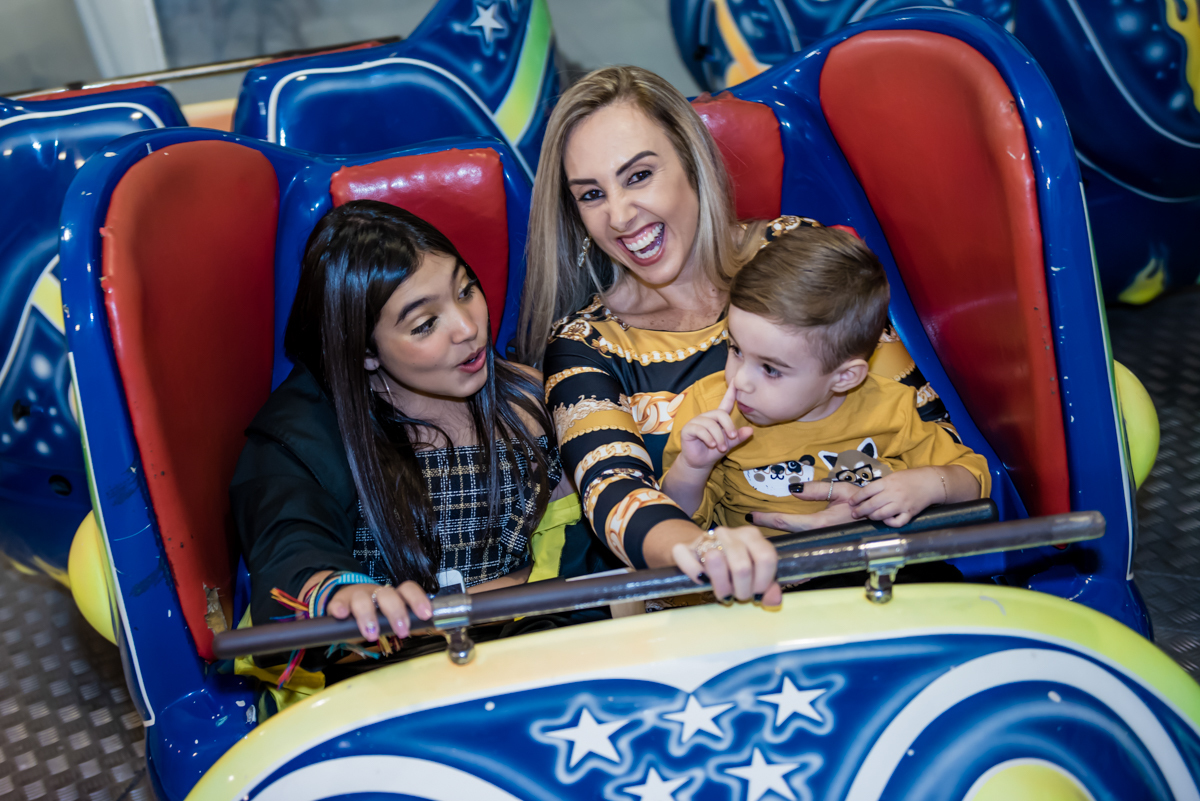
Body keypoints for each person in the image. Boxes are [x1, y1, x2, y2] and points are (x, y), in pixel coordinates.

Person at [516, 66, 952, 605]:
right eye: (591, 195)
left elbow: (927, 425)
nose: (621, 216)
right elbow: (614, 497)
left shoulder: (792, 251)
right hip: (719, 616)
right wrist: (714, 555)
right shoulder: (584, 345)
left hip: (887, 575)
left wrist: (858, 514)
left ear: (691, 164)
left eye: (638, 176)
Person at [230, 200, 574, 677]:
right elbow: (291, 543)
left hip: (539, 662)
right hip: (393, 690)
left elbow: (584, 545)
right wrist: (343, 594)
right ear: (365, 352)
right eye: (425, 324)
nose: (469, 328)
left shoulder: (531, 398)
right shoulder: (301, 436)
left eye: (466, 289)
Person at [660, 225, 990, 533]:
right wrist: (693, 468)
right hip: (768, 581)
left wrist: (927, 485)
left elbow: (974, 481)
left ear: (845, 377)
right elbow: (676, 524)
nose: (739, 380)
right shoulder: (711, 411)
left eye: (771, 369)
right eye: (735, 349)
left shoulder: (890, 409)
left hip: (878, 566)